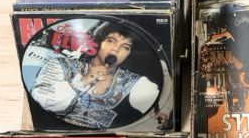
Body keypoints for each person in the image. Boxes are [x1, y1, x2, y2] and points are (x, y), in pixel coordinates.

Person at [30, 22, 169, 129]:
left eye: (125, 47)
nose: (116, 49)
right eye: (110, 40)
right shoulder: (60, 64)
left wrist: (164, 112)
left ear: (129, 54)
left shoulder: (133, 83)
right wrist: (82, 81)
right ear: (99, 42)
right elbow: (41, 99)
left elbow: (162, 105)